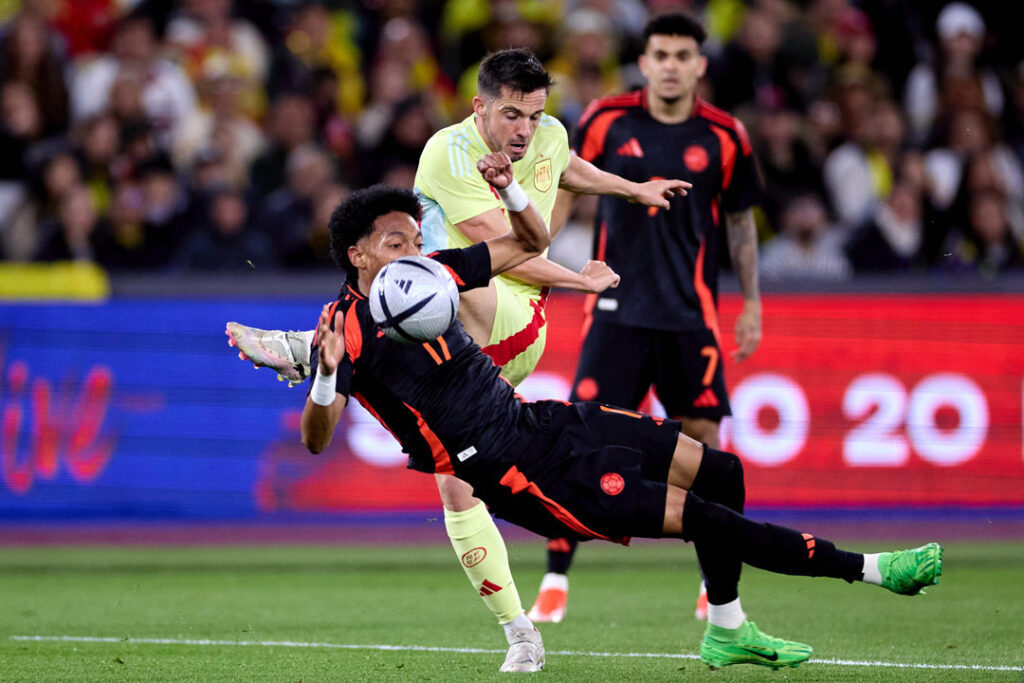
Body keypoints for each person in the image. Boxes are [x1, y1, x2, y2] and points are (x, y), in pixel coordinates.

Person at [299, 176, 941, 673]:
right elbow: (316, 439)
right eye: (395, 244)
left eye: (416, 239)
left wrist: (511, 189)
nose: (414, 251)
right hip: (519, 472)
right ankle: (874, 570)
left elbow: (525, 242)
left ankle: (726, 625)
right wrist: (325, 373)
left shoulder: (434, 274)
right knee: (706, 517)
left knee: (721, 470)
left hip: (544, 422)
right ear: (356, 255)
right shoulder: (345, 330)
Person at [227, 48, 689, 673]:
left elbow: (556, 181)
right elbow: (502, 248)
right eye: (512, 115)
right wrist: (582, 278)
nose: (526, 129)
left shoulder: (546, 133)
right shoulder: (449, 156)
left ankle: (315, 349)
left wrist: (631, 190)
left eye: (534, 114)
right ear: (480, 108)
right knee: (454, 481)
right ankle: (521, 633)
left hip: (507, 318)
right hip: (473, 330)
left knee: (427, 275)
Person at [529, 12, 764, 625]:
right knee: (582, 439)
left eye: (682, 55)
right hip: (617, 313)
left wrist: (754, 303)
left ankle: (716, 586)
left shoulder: (726, 136)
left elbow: (739, 223)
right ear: (645, 59)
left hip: (690, 317)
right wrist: (532, 259)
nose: (669, 64)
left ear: (699, 65)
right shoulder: (607, 119)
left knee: (706, 446)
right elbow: (568, 188)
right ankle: (555, 578)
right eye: (660, 53)